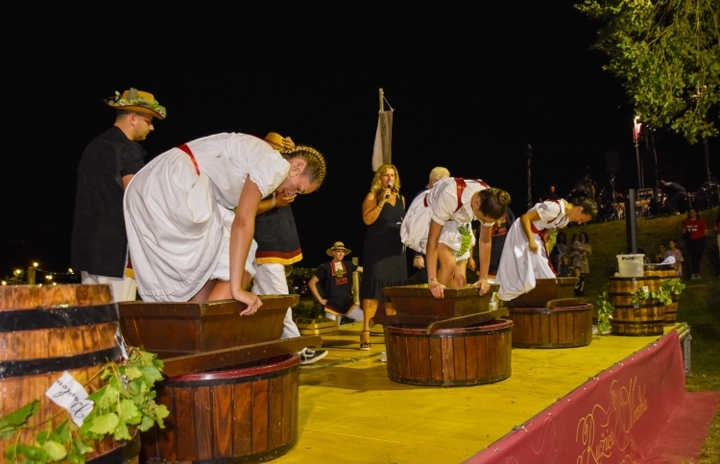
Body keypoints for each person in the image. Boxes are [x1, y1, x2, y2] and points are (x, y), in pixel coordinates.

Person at [124, 132, 326, 314]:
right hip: (176, 184)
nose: (290, 194)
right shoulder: (276, 163)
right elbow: (243, 221)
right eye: (298, 189)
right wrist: (237, 289)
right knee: (242, 260)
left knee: (210, 269)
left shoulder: (256, 154)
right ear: (297, 168)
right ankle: (203, 336)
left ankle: (193, 334)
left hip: (151, 186)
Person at [71, 88, 166, 302]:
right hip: (115, 251)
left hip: (86, 251)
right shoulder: (129, 149)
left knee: (94, 322)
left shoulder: (92, 147)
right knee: (117, 320)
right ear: (133, 118)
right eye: (149, 121)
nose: (151, 127)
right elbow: (135, 196)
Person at [252, 132, 326, 365]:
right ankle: (297, 349)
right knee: (278, 297)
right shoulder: (258, 170)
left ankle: (262, 348)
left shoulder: (278, 174)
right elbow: (243, 209)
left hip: (273, 242)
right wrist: (275, 201)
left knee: (264, 300)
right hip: (263, 243)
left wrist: (293, 160)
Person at [401, 177, 511, 299]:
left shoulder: (490, 200)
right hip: (431, 215)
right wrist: (433, 281)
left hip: (456, 220)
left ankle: (456, 312)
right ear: (476, 203)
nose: (483, 223)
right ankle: (440, 309)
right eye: (483, 220)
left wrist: (483, 279)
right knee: (449, 264)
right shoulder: (451, 196)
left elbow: (485, 241)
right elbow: (432, 241)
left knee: (460, 281)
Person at [496, 195, 598, 302]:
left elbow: (550, 226)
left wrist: (546, 234)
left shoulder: (565, 220)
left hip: (536, 236)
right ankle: (509, 299)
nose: (579, 222)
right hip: (523, 231)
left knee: (547, 276)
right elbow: (525, 218)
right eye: (582, 219)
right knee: (525, 273)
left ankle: (540, 302)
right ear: (580, 209)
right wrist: (531, 240)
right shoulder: (554, 208)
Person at [360, 164, 408, 350]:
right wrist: (382, 203)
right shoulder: (373, 196)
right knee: (374, 288)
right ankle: (365, 331)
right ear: (380, 179)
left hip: (396, 251)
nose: (390, 178)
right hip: (378, 249)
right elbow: (367, 220)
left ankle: (390, 330)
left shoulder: (402, 199)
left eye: (393, 175)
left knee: (392, 291)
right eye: (386, 175)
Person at [407, 167, 451, 283]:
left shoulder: (442, 198)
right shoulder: (422, 198)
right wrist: (417, 255)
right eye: (444, 182)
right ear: (433, 181)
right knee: (429, 286)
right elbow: (414, 226)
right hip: (425, 250)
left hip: (440, 247)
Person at [307, 241, 364, 324]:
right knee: (332, 331)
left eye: (343, 252)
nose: (341, 254)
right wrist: (320, 300)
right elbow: (311, 283)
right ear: (333, 252)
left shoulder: (348, 264)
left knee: (367, 319)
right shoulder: (325, 267)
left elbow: (364, 270)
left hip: (347, 304)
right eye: (339, 251)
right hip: (332, 306)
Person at [681, 208, 707, 280]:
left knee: (698, 256)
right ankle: (694, 273)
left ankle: (696, 272)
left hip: (699, 241)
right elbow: (684, 231)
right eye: (690, 212)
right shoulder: (686, 221)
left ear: (696, 213)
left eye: (693, 212)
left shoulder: (701, 221)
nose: (692, 214)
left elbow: (705, 232)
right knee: (693, 257)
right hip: (690, 241)